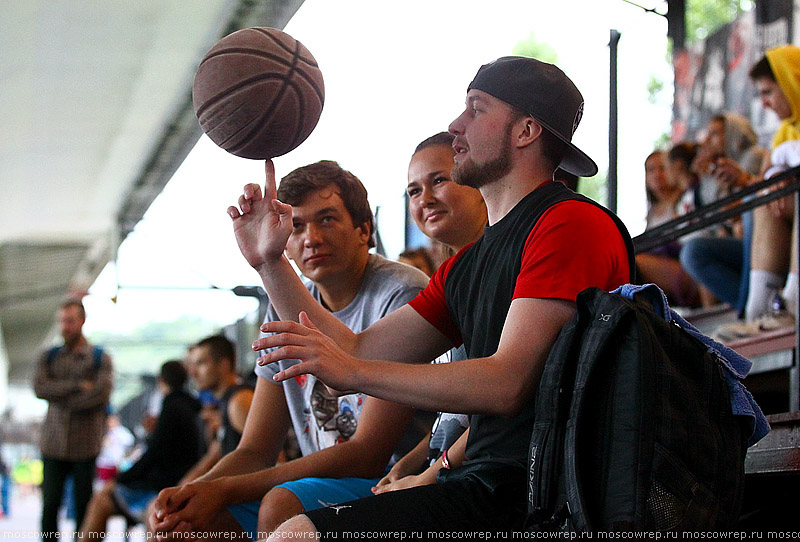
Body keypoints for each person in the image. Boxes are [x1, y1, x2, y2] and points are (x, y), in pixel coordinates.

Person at [221, 56, 631, 537]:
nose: (456, 126)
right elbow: (357, 348)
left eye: (476, 109)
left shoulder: (569, 223)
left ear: (525, 131)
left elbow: (507, 383)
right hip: (483, 485)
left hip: (543, 493)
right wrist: (271, 262)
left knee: (294, 531)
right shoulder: (466, 264)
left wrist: (354, 373)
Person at [149, 161, 431, 540]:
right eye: (296, 226)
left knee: (282, 505)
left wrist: (226, 489)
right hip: (325, 484)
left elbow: (368, 454)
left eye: (327, 219)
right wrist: (194, 492)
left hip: (398, 482)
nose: (310, 237)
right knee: (181, 526)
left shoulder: (400, 293)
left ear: (365, 230)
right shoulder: (283, 303)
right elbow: (254, 450)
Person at [370, 131, 485, 498]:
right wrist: (407, 465)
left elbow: (505, 405)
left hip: (484, 485)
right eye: (414, 191)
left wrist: (426, 477)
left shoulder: (507, 265)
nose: (426, 198)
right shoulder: (455, 275)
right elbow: (456, 418)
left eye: (439, 180)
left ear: (479, 182)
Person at [711, 45, 800, 341]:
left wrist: (780, 164)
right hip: (780, 219)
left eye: (769, 92)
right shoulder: (784, 133)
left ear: (792, 81)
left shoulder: (782, 142)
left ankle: (793, 301)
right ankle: (759, 311)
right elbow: (764, 182)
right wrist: (760, 178)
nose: (764, 103)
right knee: (762, 200)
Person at [79, 360, 202, 538]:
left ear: (162, 380)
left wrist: (121, 479)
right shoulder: (193, 405)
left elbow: (154, 453)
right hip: (176, 480)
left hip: (163, 485)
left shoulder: (172, 406)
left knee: (101, 501)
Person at [33, 299, 113, 538]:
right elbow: (40, 388)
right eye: (61, 321)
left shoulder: (99, 358)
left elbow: (101, 395)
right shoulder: (48, 357)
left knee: (84, 508)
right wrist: (78, 385)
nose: (64, 327)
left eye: (69, 321)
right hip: (52, 445)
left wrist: (60, 399)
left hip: (85, 447)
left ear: (82, 321)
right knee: (50, 507)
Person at [679, 113, 767, 313]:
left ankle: (751, 309)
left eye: (715, 133)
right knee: (693, 252)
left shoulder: (752, 156)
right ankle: (748, 308)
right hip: (741, 241)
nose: (708, 140)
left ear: (734, 133)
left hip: (761, 241)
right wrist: (705, 178)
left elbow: (734, 210)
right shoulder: (721, 166)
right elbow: (715, 218)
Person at [636, 145, 700, 307]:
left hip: (685, 266)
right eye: (651, 170)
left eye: (662, 168)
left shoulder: (685, 200)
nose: (657, 174)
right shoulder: (651, 214)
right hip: (662, 267)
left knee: (633, 262)